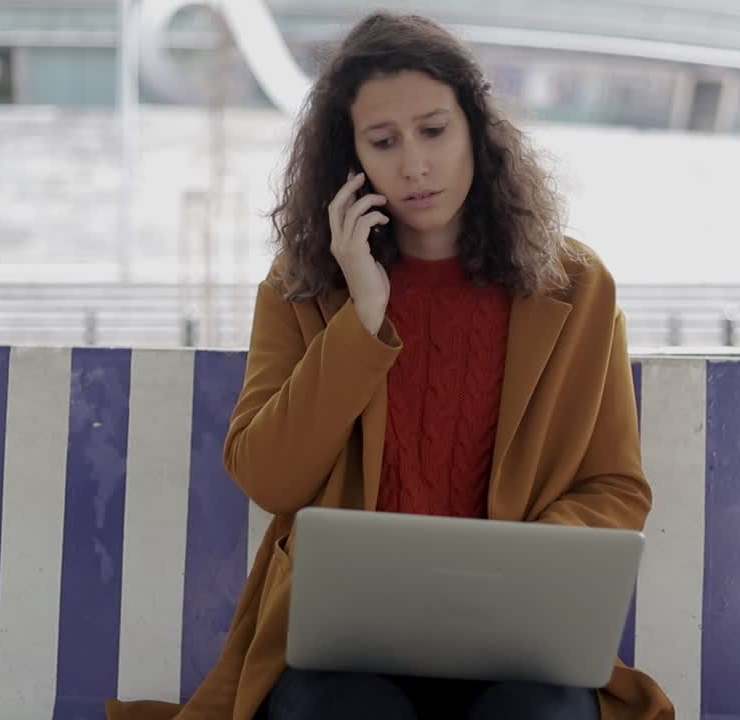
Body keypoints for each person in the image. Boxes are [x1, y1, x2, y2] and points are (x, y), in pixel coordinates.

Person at [106, 10, 674, 720]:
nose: (414, 166)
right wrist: (361, 318)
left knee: (537, 715)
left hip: (518, 647)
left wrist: (517, 573)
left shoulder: (577, 287)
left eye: (434, 131)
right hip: (344, 652)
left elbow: (613, 486)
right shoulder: (301, 286)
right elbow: (268, 475)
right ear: (353, 161)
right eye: (384, 142)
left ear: (477, 130)